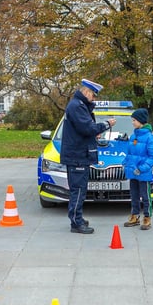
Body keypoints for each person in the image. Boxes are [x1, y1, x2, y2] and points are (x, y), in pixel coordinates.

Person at [59, 79, 114, 234]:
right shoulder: (77, 106)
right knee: (78, 190)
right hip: (77, 155)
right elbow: (87, 128)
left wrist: (92, 135)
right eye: (94, 95)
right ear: (86, 92)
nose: (94, 99)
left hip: (79, 154)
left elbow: (82, 130)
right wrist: (106, 124)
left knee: (80, 190)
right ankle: (76, 223)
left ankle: (78, 218)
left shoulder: (79, 106)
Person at [121, 108, 153, 230]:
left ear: (141, 121)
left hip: (143, 173)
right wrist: (125, 162)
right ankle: (135, 216)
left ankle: (147, 218)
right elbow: (130, 153)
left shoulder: (149, 137)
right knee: (134, 195)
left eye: (134, 120)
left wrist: (142, 168)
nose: (132, 122)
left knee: (145, 195)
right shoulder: (133, 136)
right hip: (133, 172)